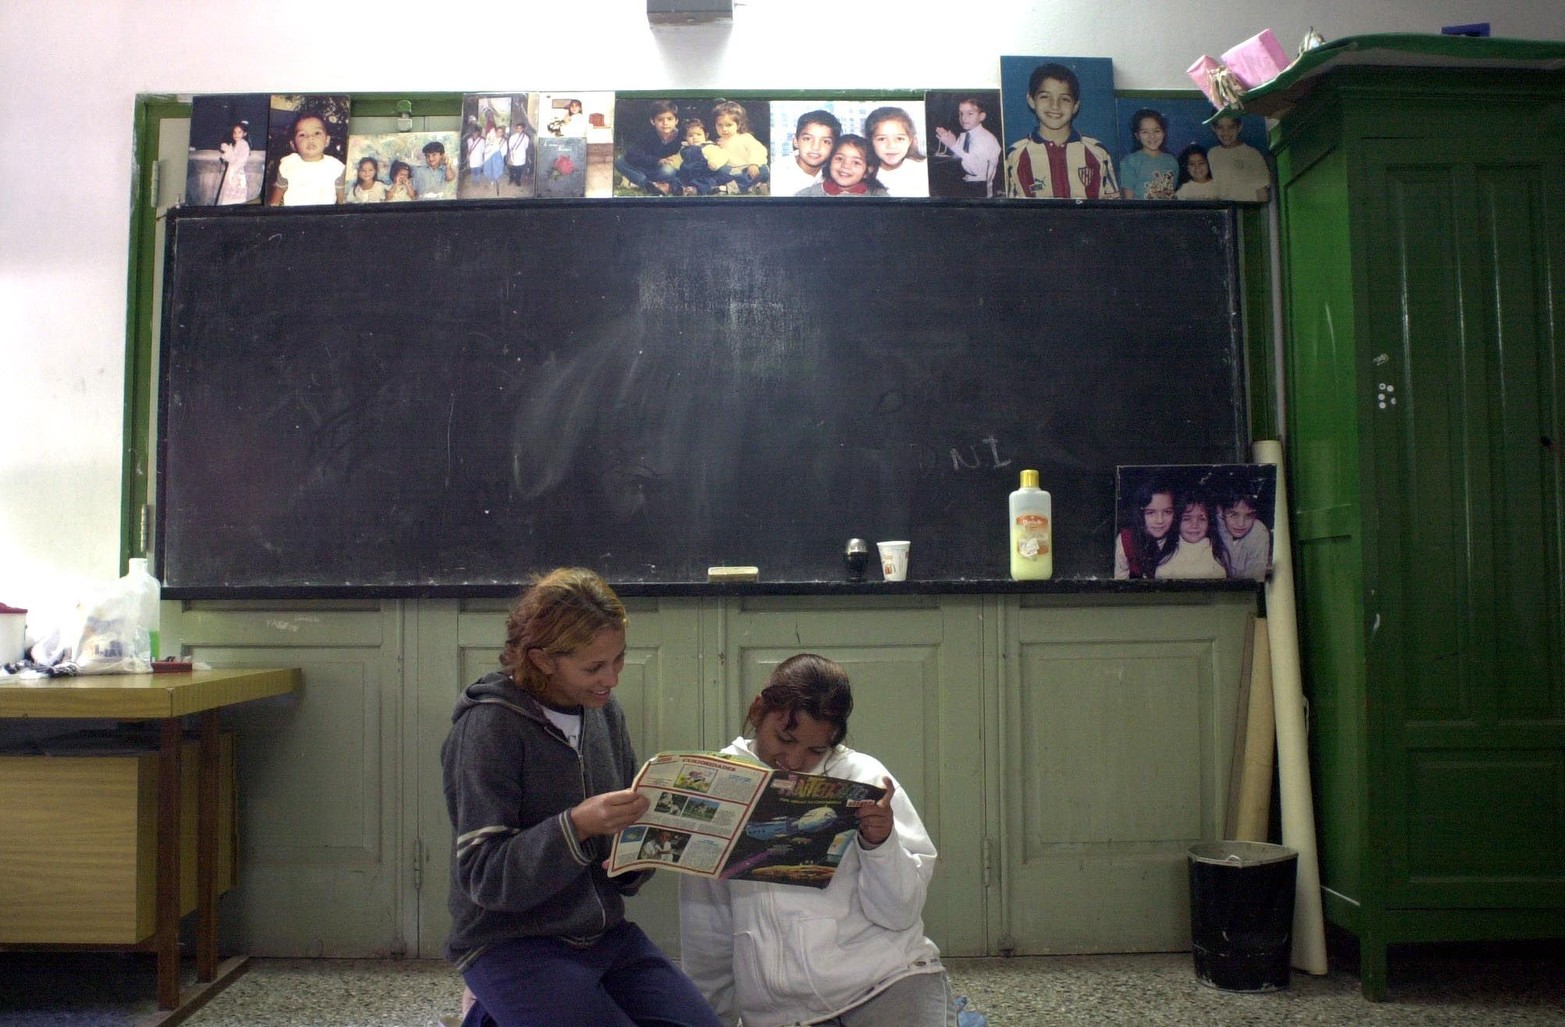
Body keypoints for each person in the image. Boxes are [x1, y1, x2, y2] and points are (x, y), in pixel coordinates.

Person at [442, 568, 722, 1027]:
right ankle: (487, 1008)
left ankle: (503, 1014)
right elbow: (483, 875)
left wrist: (654, 840)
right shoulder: (489, 727)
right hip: (508, 941)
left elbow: (622, 865)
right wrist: (577, 826)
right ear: (542, 659)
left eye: (619, 659)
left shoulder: (602, 712)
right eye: (594, 667)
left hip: (602, 934)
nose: (611, 679)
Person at [680, 653, 958, 1027]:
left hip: (887, 980)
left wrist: (880, 844)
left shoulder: (865, 775)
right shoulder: (720, 786)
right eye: (785, 738)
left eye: (816, 750)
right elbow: (706, 932)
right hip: (783, 1012)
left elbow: (900, 914)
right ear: (758, 710)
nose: (795, 760)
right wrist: (711, 1018)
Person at [1004, 62, 1118, 200]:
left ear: (1075, 106)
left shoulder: (1097, 152)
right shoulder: (1015, 155)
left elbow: (1113, 205)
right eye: (1045, 96)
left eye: (1064, 99)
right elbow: (1010, 209)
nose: (1055, 105)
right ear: (1031, 100)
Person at [267, 111, 345, 206]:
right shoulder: (288, 164)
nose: (310, 137)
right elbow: (279, 189)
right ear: (293, 144)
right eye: (302, 135)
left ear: (327, 140)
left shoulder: (336, 167)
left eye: (317, 133)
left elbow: (342, 198)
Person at [933, 97, 1001, 198]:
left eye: (970, 114)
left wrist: (954, 145)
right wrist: (949, 144)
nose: (963, 118)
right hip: (964, 187)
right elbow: (959, 159)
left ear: (982, 116)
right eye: (961, 113)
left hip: (980, 191)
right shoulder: (964, 136)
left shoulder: (987, 139)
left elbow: (976, 170)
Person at [615, 100, 682, 195]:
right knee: (620, 161)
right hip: (645, 167)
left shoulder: (680, 136)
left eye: (669, 119)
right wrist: (657, 161)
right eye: (660, 120)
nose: (665, 123)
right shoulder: (647, 134)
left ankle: (647, 183)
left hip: (662, 171)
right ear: (653, 121)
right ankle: (647, 184)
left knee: (668, 171)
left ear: (676, 121)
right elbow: (632, 153)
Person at [770, 108, 840, 197]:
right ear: (796, 141)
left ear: (834, 146)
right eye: (807, 139)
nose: (815, 147)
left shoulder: (838, 174)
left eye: (825, 141)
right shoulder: (776, 173)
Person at [1114, 482, 1178, 579]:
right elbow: (1120, 579)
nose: (1160, 520)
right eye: (1151, 513)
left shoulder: (1182, 538)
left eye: (1167, 512)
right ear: (1140, 514)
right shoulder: (1125, 540)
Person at [865, 106, 929, 197]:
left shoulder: (924, 168)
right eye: (882, 139)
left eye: (899, 138)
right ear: (870, 141)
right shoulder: (864, 173)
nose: (891, 146)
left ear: (910, 140)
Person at [1161, 495, 1230, 579]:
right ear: (1177, 521)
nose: (1194, 525)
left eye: (1201, 519)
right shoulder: (1169, 556)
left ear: (1209, 522)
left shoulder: (1217, 553)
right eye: (1187, 519)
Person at [1206, 113, 1270, 202]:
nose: (1226, 132)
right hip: (1224, 208)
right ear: (1213, 128)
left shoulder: (1252, 154)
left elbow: (1261, 191)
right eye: (1220, 128)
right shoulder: (1212, 154)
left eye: (1231, 127)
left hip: (1246, 208)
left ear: (1239, 127)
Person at [798, 134, 887, 197]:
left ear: (868, 171)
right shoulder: (809, 194)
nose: (845, 166)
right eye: (840, 159)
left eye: (856, 163)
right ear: (830, 162)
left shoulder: (879, 198)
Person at [710, 100, 769, 194]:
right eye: (719, 125)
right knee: (719, 171)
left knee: (763, 170)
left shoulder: (745, 137)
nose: (724, 129)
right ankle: (746, 187)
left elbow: (758, 150)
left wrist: (753, 164)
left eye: (729, 125)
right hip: (731, 172)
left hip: (747, 169)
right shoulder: (717, 143)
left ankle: (738, 187)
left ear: (738, 125)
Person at [1118, 108, 1177, 200]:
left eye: (1156, 131)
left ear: (1164, 133)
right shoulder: (1130, 161)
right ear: (1137, 136)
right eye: (1145, 132)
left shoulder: (1171, 160)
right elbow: (1128, 199)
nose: (1152, 136)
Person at [1218, 490, 1271, 581]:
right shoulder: (1210, 525)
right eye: (1234, 514)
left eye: (1249, 516)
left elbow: (1254, 582)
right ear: (1220, 511)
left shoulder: (1259, 533)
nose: (1241, 524)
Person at [673, 118, 733, 195]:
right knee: (677, 179)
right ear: (685, 137)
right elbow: (677, 159)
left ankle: (695, 190)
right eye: (690, 136)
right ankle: (674, 188)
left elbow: (722, 156)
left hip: (704, 173)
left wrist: (714, 163)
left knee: (707, 182)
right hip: (688, 174)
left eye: (698, 134)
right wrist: (671, 163)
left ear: (706, 135)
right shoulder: (684, 149)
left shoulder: (709, 147)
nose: (695, 137)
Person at [216, 121, 251, 205]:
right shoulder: (237, 144)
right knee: (229, 193)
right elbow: (232, 157)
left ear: (245, 133)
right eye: (234, 132)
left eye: (239, 132)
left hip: (237, 171)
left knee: (234, 192)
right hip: (232, 170)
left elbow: (238, 159)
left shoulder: (243, 144)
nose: (236, 134)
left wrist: (228, 152)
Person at [504, 119, 532, 188]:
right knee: (511, 168)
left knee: (520, 169)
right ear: (516, 129)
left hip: (521, 155)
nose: (519, 129)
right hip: (514, 155)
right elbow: (510, 146)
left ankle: (517, 180)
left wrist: (521, 151)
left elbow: (526, 146)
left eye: (520, 128)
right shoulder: (512, 137)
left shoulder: (526, 137)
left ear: (523, 129)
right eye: (518, 128)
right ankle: (511, 178)